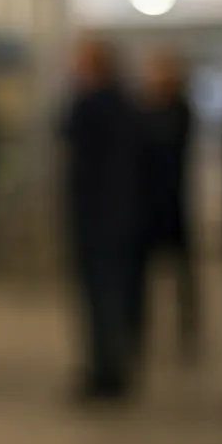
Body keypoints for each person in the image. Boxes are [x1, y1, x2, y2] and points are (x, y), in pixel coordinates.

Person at [58, 38, 142, 402]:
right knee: (107, 298)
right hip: (109, 218)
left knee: (103, 298)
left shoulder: (94, 105)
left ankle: (107, 370)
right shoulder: (122, 105)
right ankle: (108, 366)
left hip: (99, 219)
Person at [129, 49, 198, 362]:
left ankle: (188, 330)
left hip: (174, 205)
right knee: (141, 278)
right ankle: (137, 330)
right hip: (146, 208)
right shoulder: (143, 112)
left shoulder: (180, 110)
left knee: (182, 276)